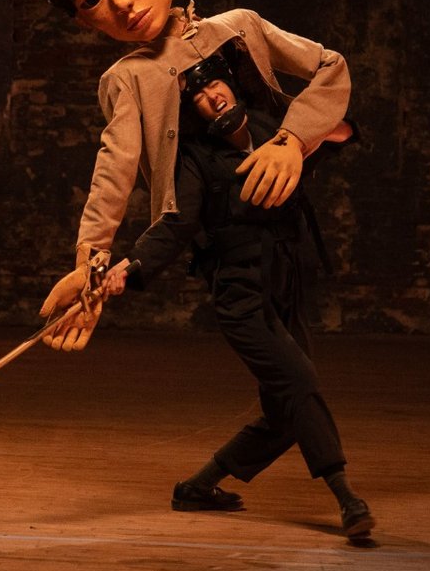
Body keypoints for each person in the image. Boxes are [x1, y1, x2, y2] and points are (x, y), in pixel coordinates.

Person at [33, 0, 351, 352]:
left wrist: (292, 140)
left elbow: (330, 65)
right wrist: (91, 265)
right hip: (224, 240)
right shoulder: (127, 79)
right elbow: (115, 168)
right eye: (93, 0)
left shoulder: (238, 27)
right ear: (85, 21)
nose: (121, 2)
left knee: (293, 353)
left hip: (284, 222)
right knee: (281, 361)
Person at [100, 48, 373, 537]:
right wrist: (131, 265)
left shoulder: (276, 132)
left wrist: (324, 129)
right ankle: (346, 498)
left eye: (214, 84)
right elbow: (176, 223)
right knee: (300, 381)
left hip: (285, 282)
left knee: (286, 412)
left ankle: (197, 487)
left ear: (230, 82)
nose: (211, 96)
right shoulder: (196, 158)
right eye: (198, 95)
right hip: (240, 294)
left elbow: (335, 130)